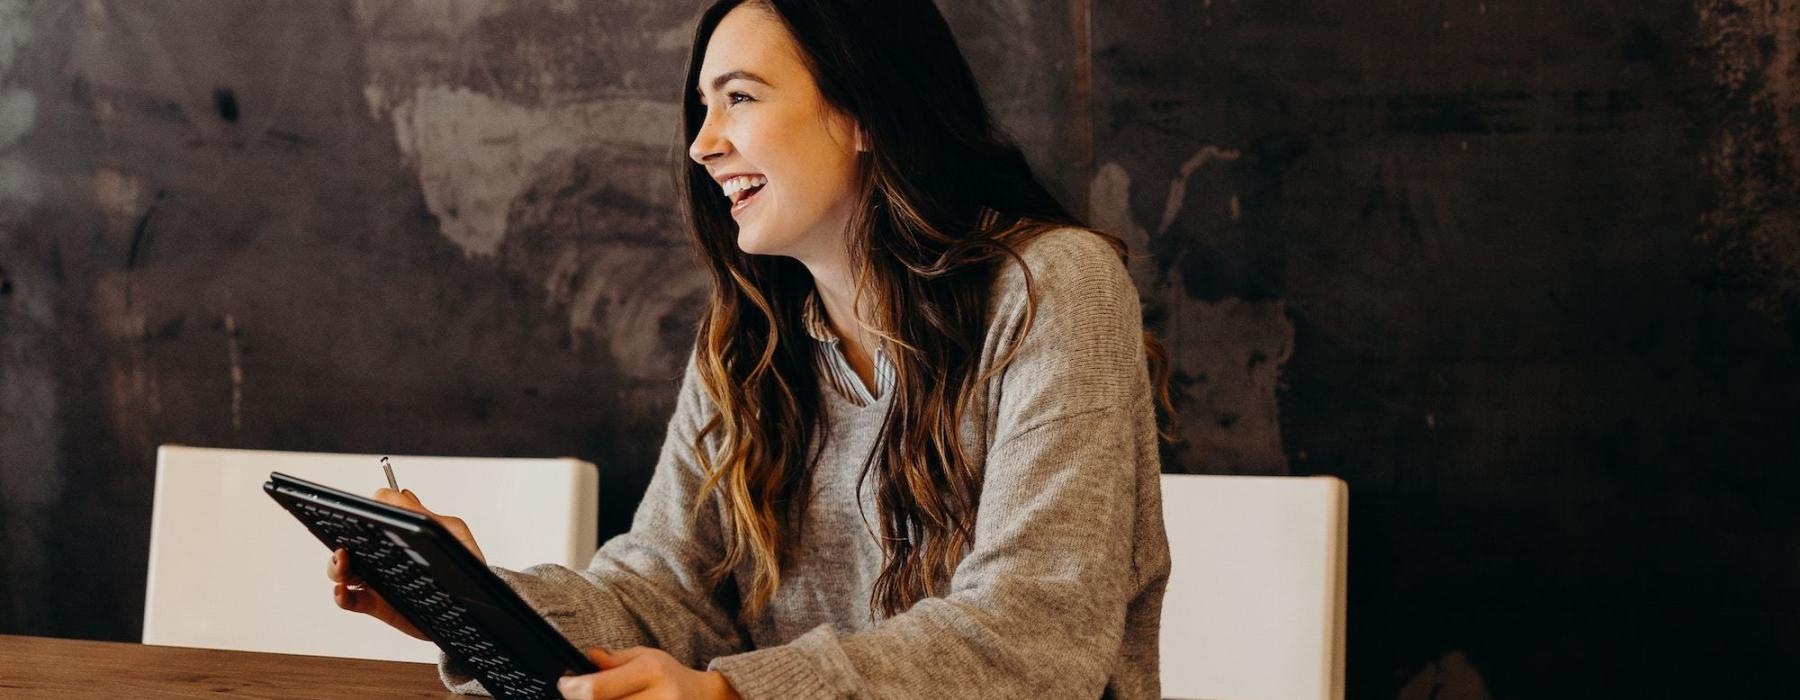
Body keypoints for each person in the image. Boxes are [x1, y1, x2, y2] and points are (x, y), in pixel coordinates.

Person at [327, 0, 1172, 697]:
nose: (702, 144)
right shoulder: (749, 340)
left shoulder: (1055, 288)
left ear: (862, 111)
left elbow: (1036, 632)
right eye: (703, 107)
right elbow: (663, 594)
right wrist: (473, 600)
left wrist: (732, 693)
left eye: (740, 97)